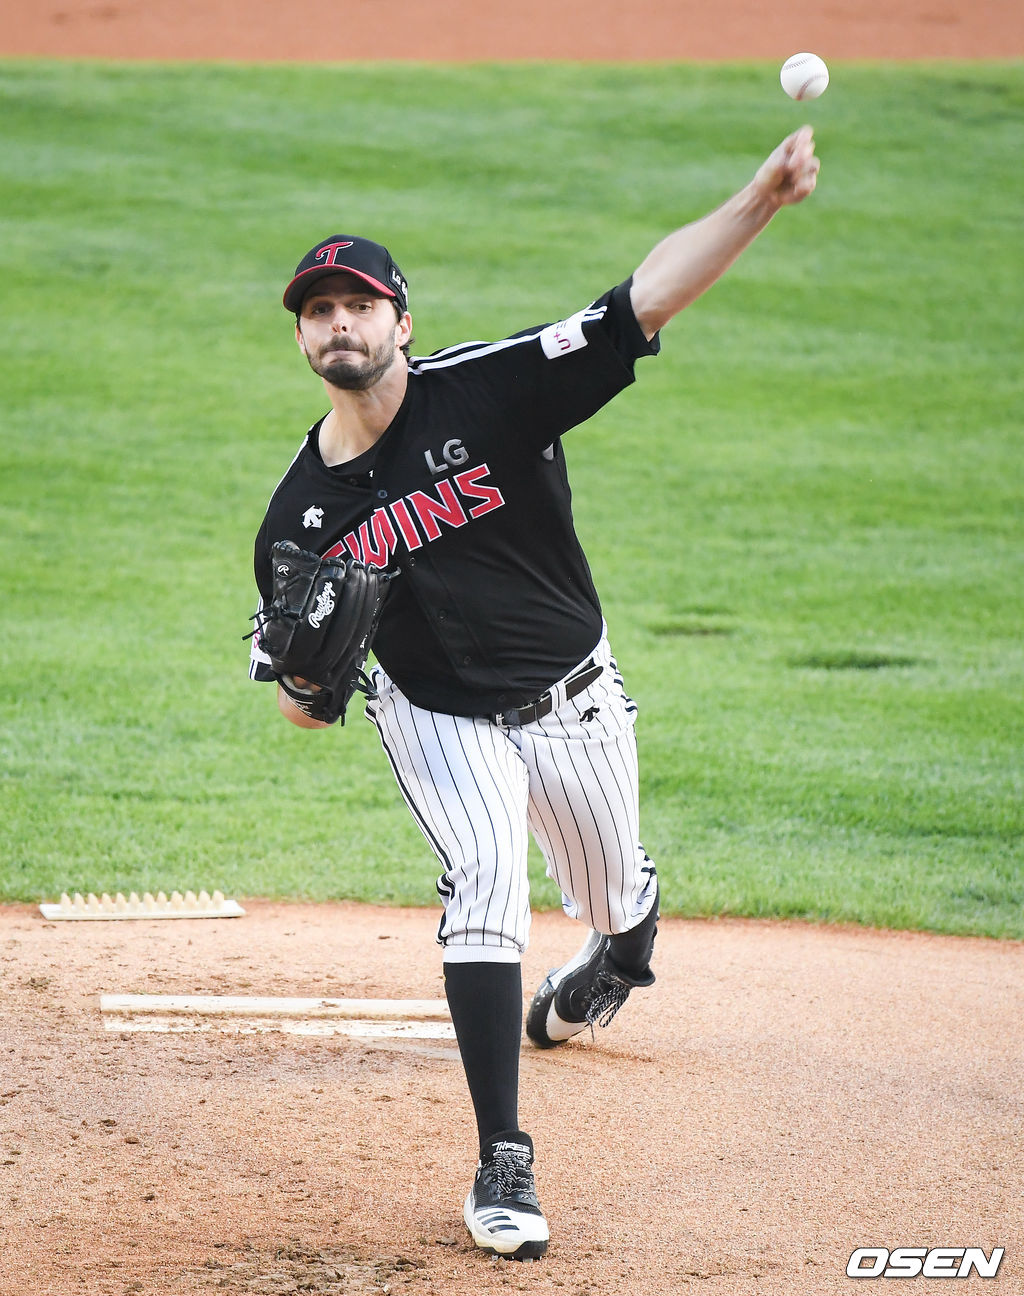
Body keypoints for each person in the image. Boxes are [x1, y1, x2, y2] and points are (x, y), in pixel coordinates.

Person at [249, 126, 820, 1260]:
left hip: (574, 698)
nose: (339, 325)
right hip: (435, 715)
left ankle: (623, 940)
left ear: (399, 321)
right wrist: (313, 683)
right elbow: (294, 701)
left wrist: (757, 197)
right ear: (303, 338)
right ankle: (502, 1154)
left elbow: (640, 301)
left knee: (606, 892)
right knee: (486, 883)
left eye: (358, 304)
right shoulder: (297, 521)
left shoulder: (493, 392)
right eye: (318, 311)